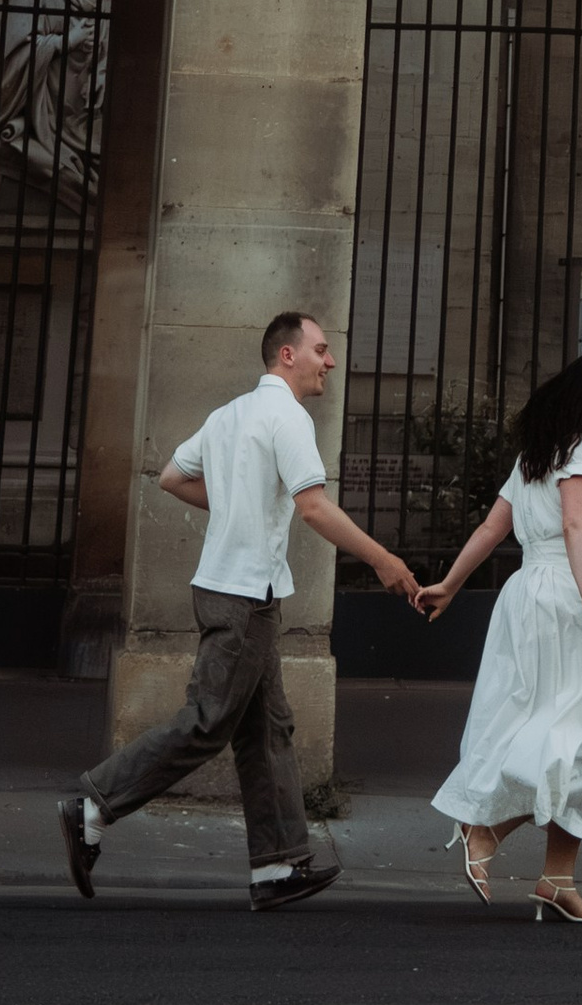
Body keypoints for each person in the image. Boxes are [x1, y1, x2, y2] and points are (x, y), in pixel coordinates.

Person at [58, 309, 417, 912]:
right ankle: (93, 806)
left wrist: (233, 506)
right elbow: (313, 507)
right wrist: (383, 559)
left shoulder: (229, 415)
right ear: (287, 355)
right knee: (207, 723)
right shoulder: (288, 417)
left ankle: (277, 867)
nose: (330, 361)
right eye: (321, 350)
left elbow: (172, 477)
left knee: (267, 727)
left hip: (234, 590)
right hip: (245, 596)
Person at [417, 352, 582, 924]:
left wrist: (451, 585)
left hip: (532, 597)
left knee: (563, 731)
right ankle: (488, 830)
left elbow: (492, 527)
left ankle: (557, 878)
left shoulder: (537, 456)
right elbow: (577, 525)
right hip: (571, 603)